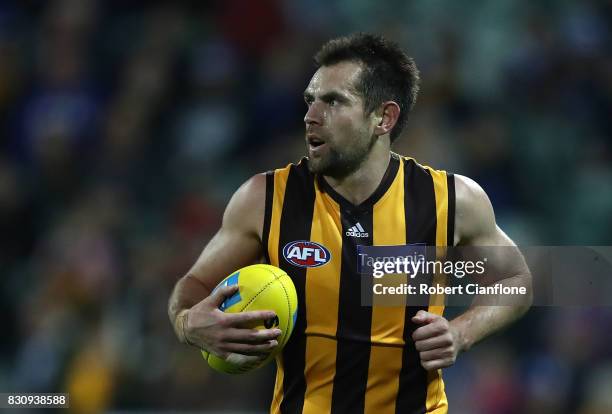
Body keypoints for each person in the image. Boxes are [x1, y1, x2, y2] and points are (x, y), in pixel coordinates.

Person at [168, 33, 532, 413]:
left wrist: (461, 332)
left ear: (383, 118)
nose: (311, 115)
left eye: (334, 101)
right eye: (311, 100)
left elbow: (516, 281)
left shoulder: (453, 201)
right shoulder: (264, 198)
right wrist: (189, 323)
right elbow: (193, 287)